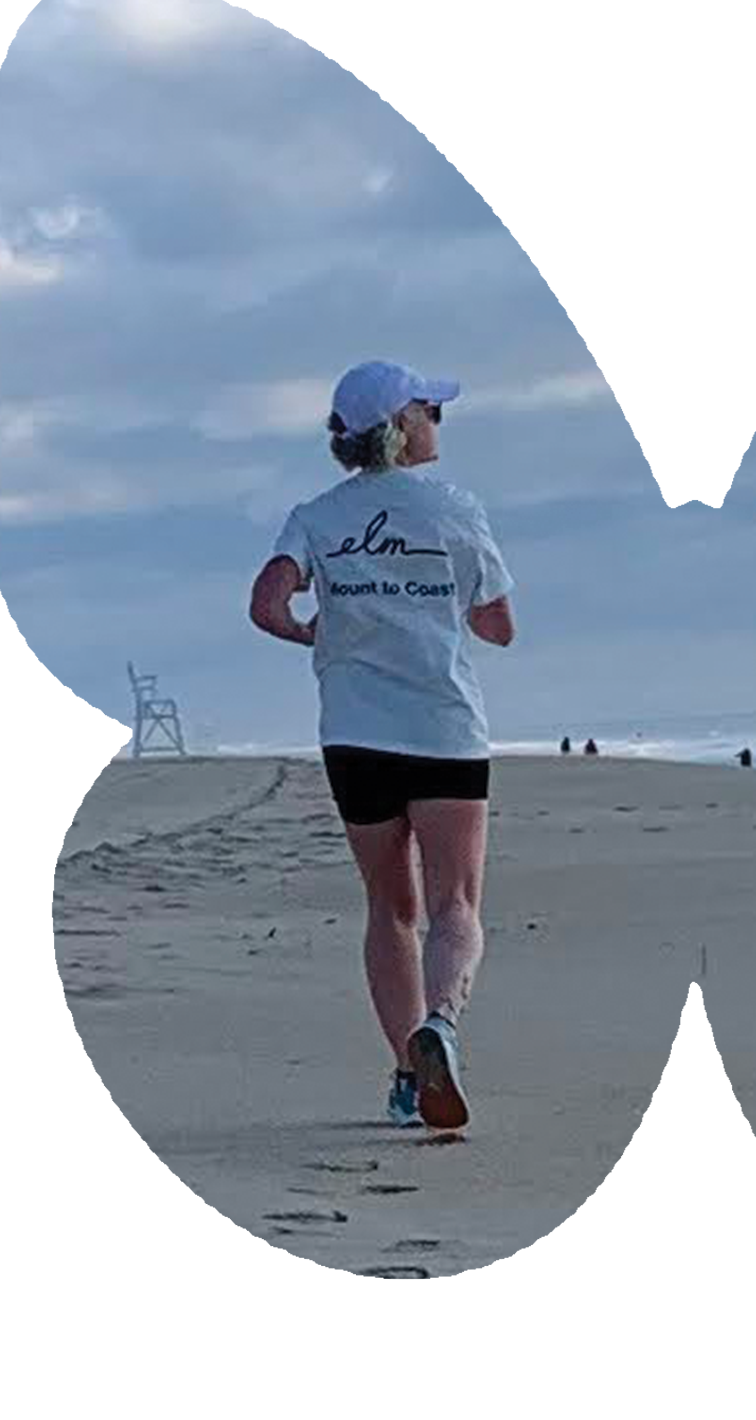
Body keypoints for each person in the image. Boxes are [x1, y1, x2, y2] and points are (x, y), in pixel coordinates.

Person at [248, 360, 515, 1131]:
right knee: (454, 905)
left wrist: (314, 633)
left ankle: (406, 1076)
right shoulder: (455, 509)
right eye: (431, 409)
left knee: (390, 909)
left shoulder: (317, 516)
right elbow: (498, 625)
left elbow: (267, 603)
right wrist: (436, 602)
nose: (438, 421)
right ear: (402, 428)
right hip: (443, 728)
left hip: (355, 734)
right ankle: (442, 1022)